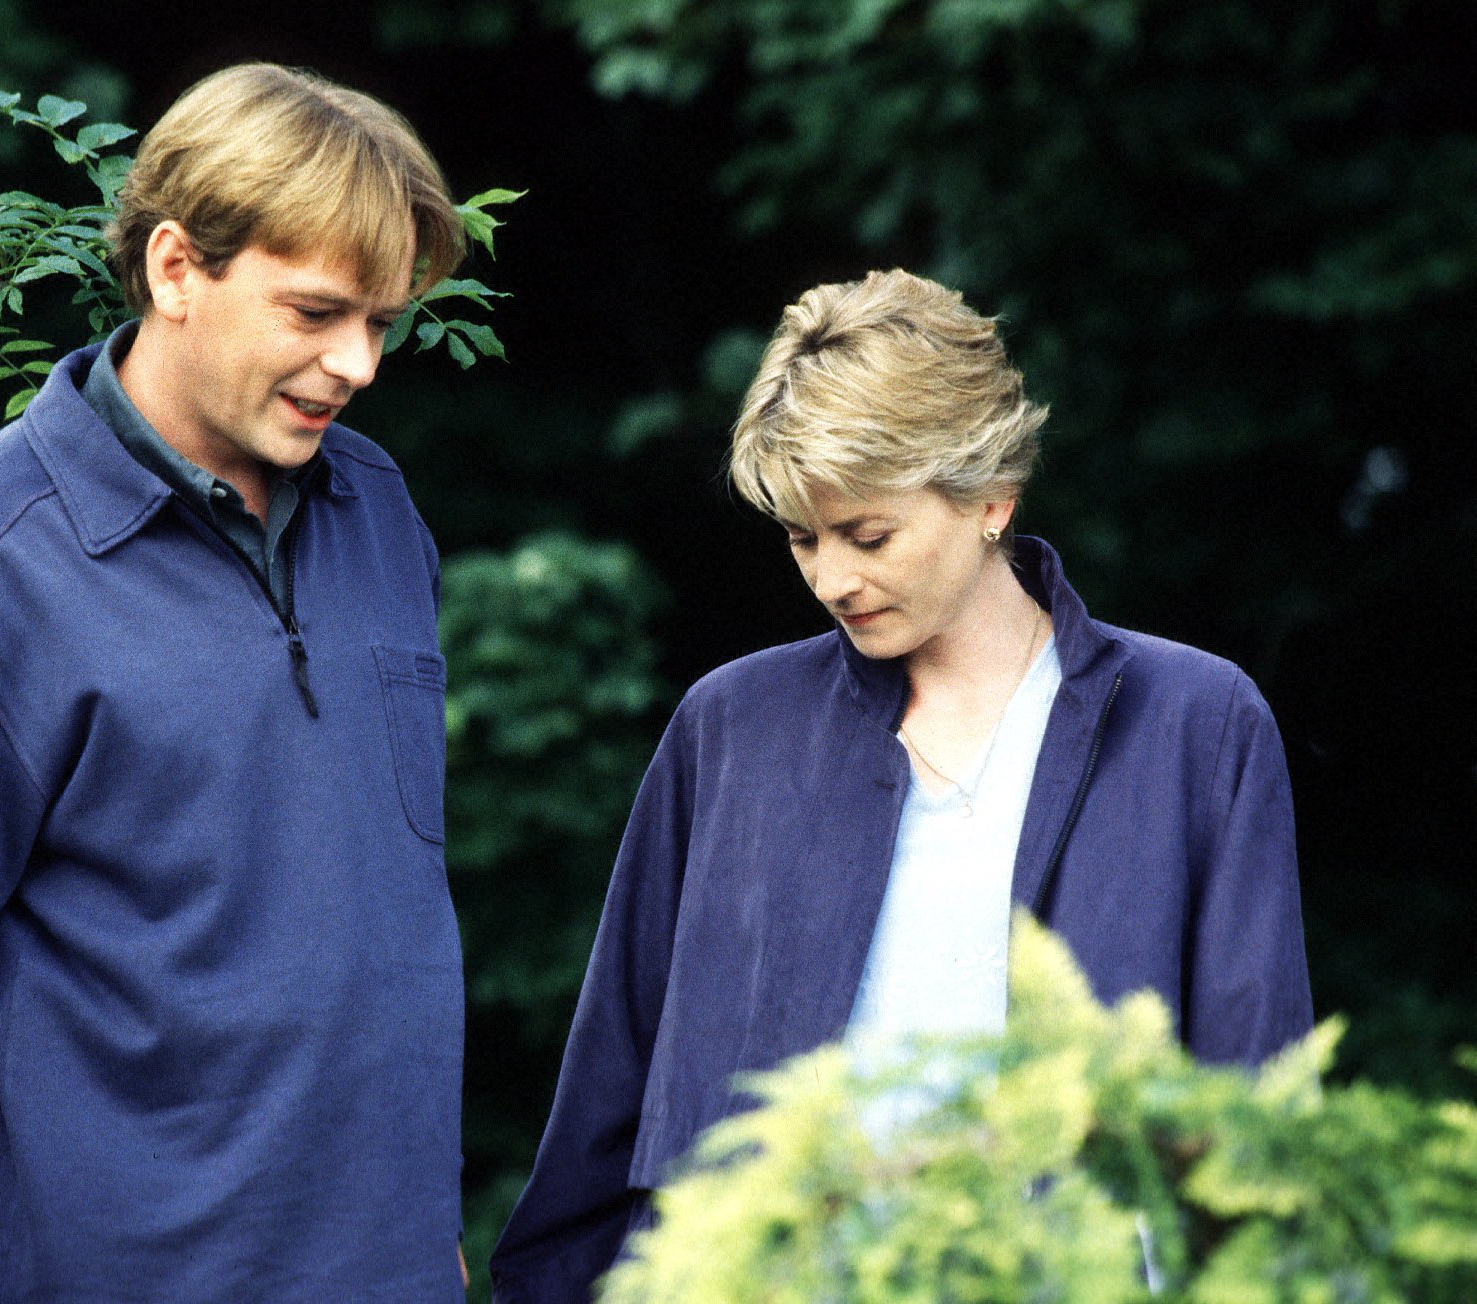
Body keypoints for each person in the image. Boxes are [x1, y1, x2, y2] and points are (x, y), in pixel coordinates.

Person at [0, 63, 471, 1302]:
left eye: (383, 322)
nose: (357, 362)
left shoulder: (380, 509)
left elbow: (369, 935)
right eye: (315, 314)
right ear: (175, 269)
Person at [489, 269, 1313, 1302]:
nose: (831, 577)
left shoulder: (1193, 721)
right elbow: (607, 1085)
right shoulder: (729, 727)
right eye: (801, 537)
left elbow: (1262, 1115)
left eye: (866, 534)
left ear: (988, 497)